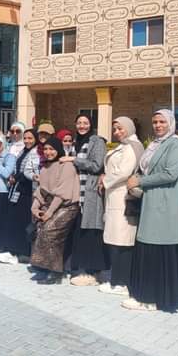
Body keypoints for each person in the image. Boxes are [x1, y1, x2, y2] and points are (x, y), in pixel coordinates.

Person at [124, 109, 178, 311]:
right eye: (155, 122)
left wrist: (140, 181)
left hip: (166, 202)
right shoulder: (155, 144)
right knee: (149, 243)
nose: (158, 125)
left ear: (171, 123)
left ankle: (153, 298)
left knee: (159, 244)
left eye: (162, 122)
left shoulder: (176, 144)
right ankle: (149, 294)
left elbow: (171, 174)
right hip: (152, 199)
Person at [98, 117, 144, 296]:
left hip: (123, 198)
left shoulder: (132, 146)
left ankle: (121, 283)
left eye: (120, 128)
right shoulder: (125, 145)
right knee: (117, 240)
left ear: (129, 128)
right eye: (115, 129)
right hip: (115, 197)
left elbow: (124, 172)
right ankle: (117, 279)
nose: (117, 132)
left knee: (122, 241)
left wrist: (105, 180)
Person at [29, 137, 80, 284]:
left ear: (58, 149)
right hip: (52, 205)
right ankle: (44, 266)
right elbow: (41, 191)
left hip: (67, 206)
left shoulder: (66, 166)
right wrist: (35, 208)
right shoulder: (45, 168)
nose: (48, 152)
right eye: (45, 149)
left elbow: (62, 194)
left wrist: (49, 213)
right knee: (40, 228)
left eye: (51, 149)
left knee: (49, 231)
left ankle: (56, 272)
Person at [68, 114, 107, 286]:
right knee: (79, 230)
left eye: (85, 123)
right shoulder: (75, 141)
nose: (82, 126)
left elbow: (97, 165)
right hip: (76, 193)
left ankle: (93, 271)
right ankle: (80, 267)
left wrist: (74, 160)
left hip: (90, 192)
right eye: (79, 123)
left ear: (91, 125)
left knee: (91, 231)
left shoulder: (97, 141)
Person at [0, 129, 39, 264]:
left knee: (24, 221)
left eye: (30, 138)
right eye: (25, 138)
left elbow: (31, 172)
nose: (27, 141)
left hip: (28, 191)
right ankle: (15, 250)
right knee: (16, 220)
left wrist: (16, 177)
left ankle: (24, 253)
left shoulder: (36, 152)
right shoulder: (24, 151)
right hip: (19, 190)